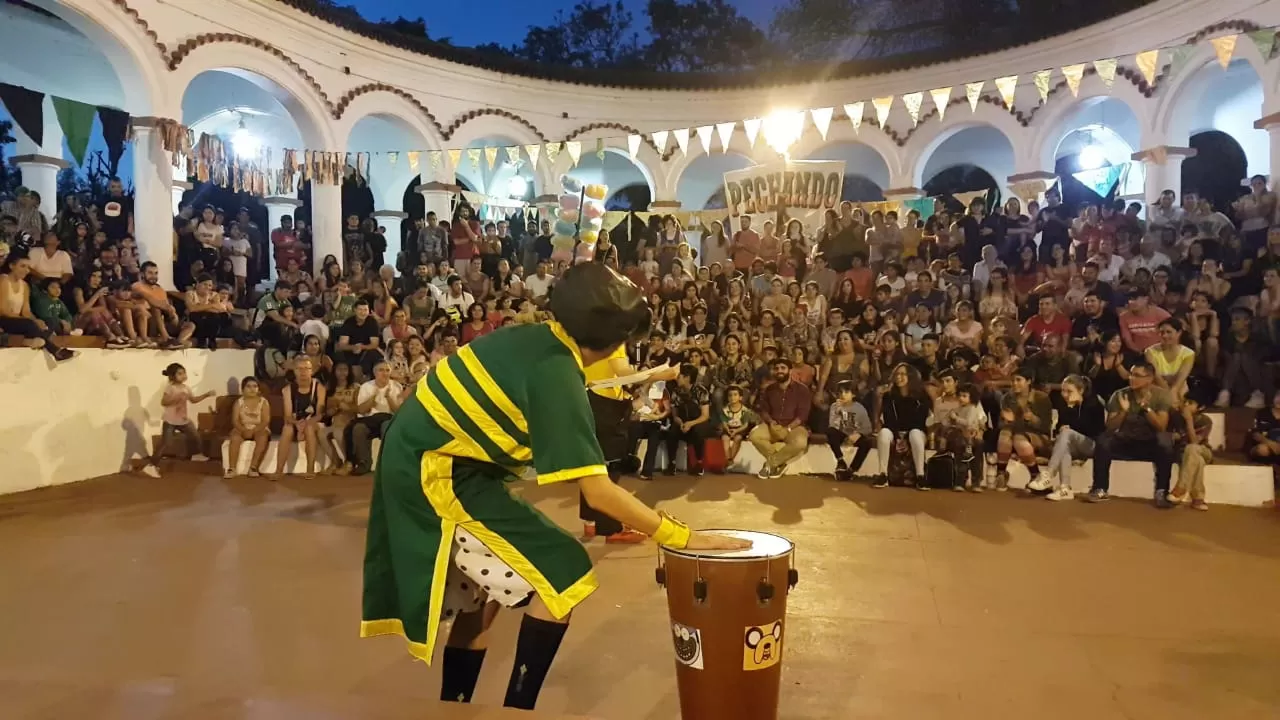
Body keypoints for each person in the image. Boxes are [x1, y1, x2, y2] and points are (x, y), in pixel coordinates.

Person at [361, 263, 747, 712]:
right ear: (608, 340)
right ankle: (517, 710)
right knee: (563, 572)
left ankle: (457, 707)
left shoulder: (542, 339)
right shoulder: (557, 373)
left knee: (481, 599)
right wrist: (684, 538)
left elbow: (601, 379)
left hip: (442, 460)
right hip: (438, 471)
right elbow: (598, 493)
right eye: (625, 341)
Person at [580, 327, 678, 542]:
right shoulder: (613, 342)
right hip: (606, 408)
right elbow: (624, 374)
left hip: (588, 401)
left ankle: (590, 522)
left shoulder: (587, 338)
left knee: (592, 464)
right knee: (610, 466)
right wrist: (663, 374)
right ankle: (611, 528)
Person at [1086, 360, 1176, 507]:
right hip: (1126, 442)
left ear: (1149, 378)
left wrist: (1146, 408)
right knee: (1103, 441)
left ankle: (1162, 491)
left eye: (1137, 376)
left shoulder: (1161, 395)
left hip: (1149, 443)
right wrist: (1124, 411)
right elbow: (1109, 427)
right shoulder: (1120, 395)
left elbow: (1161, 426)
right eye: (1131, 374)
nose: (1132, 378)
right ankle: (1100, 488)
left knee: (1165, 442)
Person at [1037, 375, 1104, 502]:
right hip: (1072, 444)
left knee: (1066, 434)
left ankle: (1048, 474)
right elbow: (1059, 428)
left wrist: (1071, 415)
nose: (1064, 394)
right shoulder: (1065, 404)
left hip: (1093, 445)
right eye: (1063, 390)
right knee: (1064, 446)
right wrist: (1066, 418)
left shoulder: (1094, 403)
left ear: (1081, 391)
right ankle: (1065, 488)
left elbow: (1095, 430)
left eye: (1069, 391)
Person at [142, 363, 213, 478]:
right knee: (166, 442)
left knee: (195, 435)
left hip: (183, 419)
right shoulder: (170, 388)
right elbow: (163, 402)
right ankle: (151, 465)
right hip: (170, 420)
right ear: (172, 376)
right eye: (180, 374)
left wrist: (207, 395)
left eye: (184, 373)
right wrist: (175, 398)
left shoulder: (186, 388)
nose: (183, 375)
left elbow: (193, 400)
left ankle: (196, 454)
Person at [748, 356, 813, 479]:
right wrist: (771, 422)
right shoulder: (769, 389)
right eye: (776, 368)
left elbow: (802, 415)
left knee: (800, 443)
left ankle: (770, 464)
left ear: (790, 370)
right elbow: (764, 410)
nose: (779, 371)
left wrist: (788, 428)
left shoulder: (802, 390)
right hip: (774, 425)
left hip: (794, 427)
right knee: (754, 436)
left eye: (783, 368)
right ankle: (780, 462)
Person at [1168, 387, 1214, 511]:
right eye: (1185, 401)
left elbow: (1195, 441)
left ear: (1201, 407)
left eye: (1191, 403)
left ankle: (1181, 488)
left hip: (1204, 451)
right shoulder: (1176, 417)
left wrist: (1189, 420)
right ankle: (1198, 498)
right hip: (1185, 454)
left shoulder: (1205, 421)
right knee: (1197, 460)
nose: (1186, 405)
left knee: (1193, 448)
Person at [825, 381, 873, 481]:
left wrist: (858, 434)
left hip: (855, 434)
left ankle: (851, 470)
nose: (842, 395)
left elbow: (868, 428)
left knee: (867, 443)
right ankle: (840, 460)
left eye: (846, 392)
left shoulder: (859, 408)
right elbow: (832, 426)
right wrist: (839, 413)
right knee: (830, 432)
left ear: (853, 394)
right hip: (841, 432)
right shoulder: (834, 406)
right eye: (840, 392)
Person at [225, 376, 271, 478]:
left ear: (258, 389)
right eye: (248, 386)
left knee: (263, 437)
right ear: (243, 389)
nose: (252, 389)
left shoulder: (263, 402)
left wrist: (254, 430)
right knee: (235, 437)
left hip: (259, 428)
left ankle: (253, 468)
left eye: (255, 386)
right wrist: (243, 430)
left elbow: (265, 421)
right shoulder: (239, 402)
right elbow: (235, 420)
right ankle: (232, 468)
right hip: (242, 427)